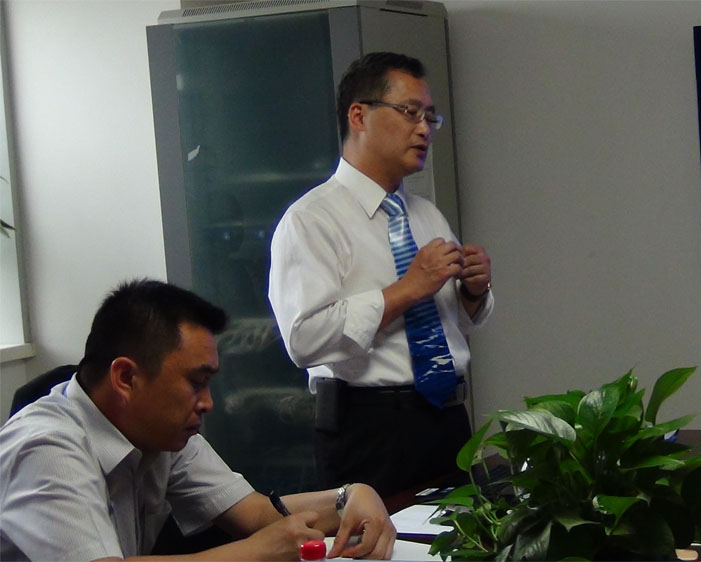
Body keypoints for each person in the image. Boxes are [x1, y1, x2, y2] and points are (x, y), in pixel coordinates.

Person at [0, 279, 396, 561]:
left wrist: (347, 498)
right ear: (126, 378)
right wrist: (256, 552)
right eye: (195, 383)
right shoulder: (45, 448)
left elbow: (255, 514)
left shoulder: (157, 433)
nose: (207, 403)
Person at [268, 51, 494, 497]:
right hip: (369, 429)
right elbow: (304, 339)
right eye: (410, 112)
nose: (424, 129)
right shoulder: (311, 220)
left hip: (447, 417)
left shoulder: (427, 215)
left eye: (430, 117)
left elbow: (454, 324)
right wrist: (407, 289)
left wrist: (473, 290)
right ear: (359, 116)